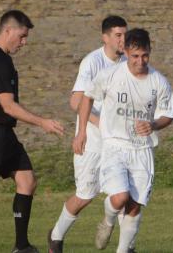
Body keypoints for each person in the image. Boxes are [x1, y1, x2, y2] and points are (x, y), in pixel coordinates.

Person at [0, 10, 65, 253]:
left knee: (27, 180)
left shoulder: (4, 59)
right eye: (21, 36)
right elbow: (8, 106)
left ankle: (21, 246)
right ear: (7, 31)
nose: (24, 42)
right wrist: (42, 122)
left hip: (4, 135)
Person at [73, 28, 173, 253]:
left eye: (145, 55)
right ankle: (108, 222)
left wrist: (154, 124)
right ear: (127, 52)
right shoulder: (111, 75)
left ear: (150, 51)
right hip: (115, 146)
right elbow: (86, 97)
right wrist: (82, 133)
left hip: (142, 151)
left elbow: (168, 114)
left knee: (134, 207)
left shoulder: (159, 82)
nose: (140, 61)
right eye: (135, 55)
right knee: (120, 198)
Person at [48, 15, 128, 253]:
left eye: (125, 34)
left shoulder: (129, 62)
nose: (124, 39)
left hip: (119, 143)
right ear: (105, 37)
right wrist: (90, 128)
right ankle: (56, 236)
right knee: (84, 196)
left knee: (125, 194)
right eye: (118, 35)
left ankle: (126, 246)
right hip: (93, 142)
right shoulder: (92, 62)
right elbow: (75, 101)